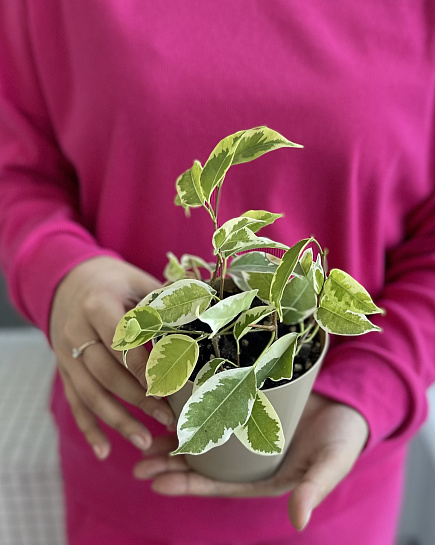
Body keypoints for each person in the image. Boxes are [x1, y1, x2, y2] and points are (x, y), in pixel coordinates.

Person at [0, 2, 434, 544]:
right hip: (131, 460)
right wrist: (62, 271)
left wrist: (372, 384)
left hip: (333, 481)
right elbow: (17, 166)